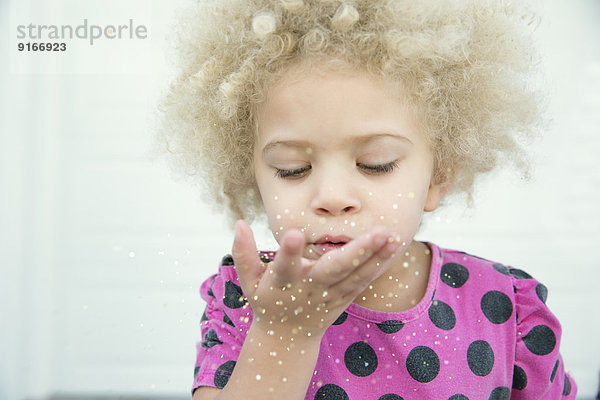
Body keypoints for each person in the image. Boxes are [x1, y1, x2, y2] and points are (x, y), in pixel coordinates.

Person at [155, 0, 577, 399]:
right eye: (291, 169)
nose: (332, 198)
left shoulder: (507, 307)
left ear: (439, 176)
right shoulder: (247, 299)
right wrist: (284, 333)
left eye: (376, 163)